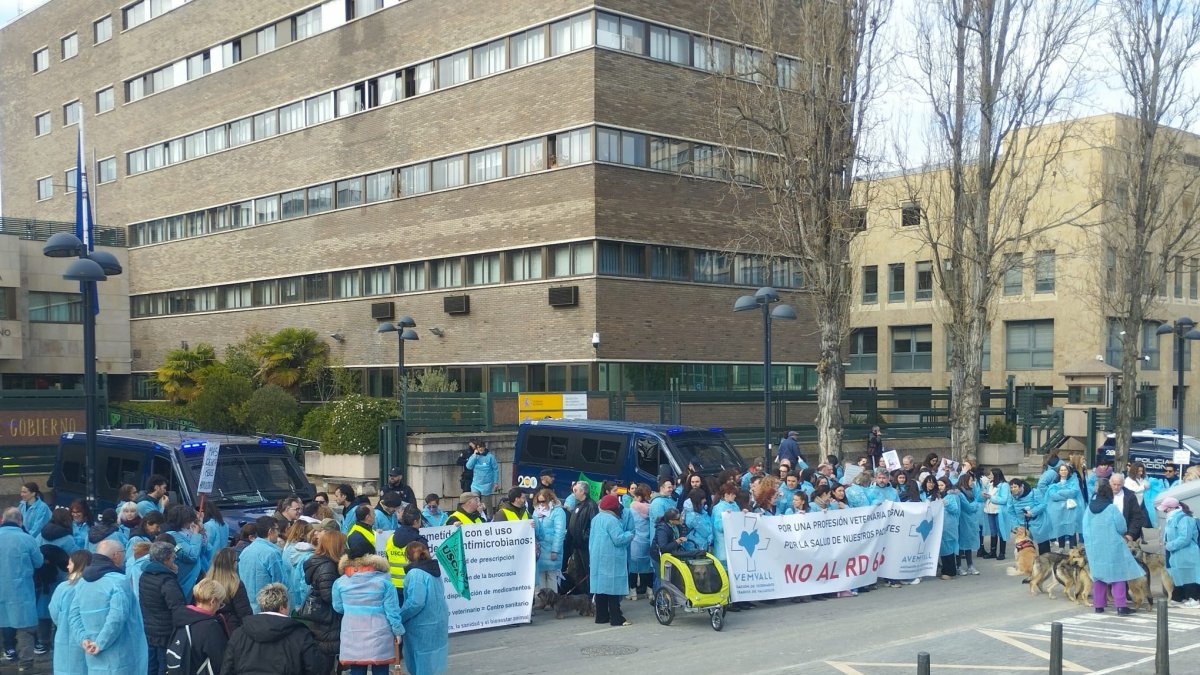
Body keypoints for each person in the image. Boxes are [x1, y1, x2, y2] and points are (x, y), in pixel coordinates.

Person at [69, 538, 149, 675]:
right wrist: (100, 643)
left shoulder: (82, 583)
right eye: (124, 552)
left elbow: (74, 615)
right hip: (121, 655)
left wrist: (84, 639)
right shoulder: (119, 581)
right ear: (116, 555)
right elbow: (117, 618)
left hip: (92, 653)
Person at [332, 538, 405, 675]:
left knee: (357, 668)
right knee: (381, 668)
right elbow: (392, 611)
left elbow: (338, 607)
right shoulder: (384, 581)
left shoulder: (340, 583)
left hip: (352, 632)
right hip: (380, 632)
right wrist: (397, 631)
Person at [221, 583, 323, 675]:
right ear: (283, 607)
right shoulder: (301, 635)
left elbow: (227, 669)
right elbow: (314, 669)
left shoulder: (239, 634)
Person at [1083, 482, 1145, 615]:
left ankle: (1098, 605)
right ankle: (1121, 606)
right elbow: (1122, 527)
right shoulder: (1111, 508)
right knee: (1118, 575)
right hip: (1112, 546)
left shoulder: (1088, 509)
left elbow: (1084, 528)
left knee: (1098, 575)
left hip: (1094, 547)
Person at [0, 507, 43, 670]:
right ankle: (25, 666)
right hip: (20, 590)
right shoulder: (27, 539)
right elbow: (38, 562)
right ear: (20, 521)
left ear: (3, 520)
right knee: (25, 629)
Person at [398, 541, 449, 675]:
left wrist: (399, 616)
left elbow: (416, 602)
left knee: (421, 662)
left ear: (408, 556)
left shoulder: (416, 574)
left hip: (421, 625)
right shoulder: (433, 569)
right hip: (438, 620)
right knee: (436, 661)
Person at [140, 540, 188, 675]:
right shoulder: (167, 580)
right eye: (173, 558)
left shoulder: (145, 575)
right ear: (166, 560)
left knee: (152, 665)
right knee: (165, 666)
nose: (175, 561)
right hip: (165, 632)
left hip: (149, 629)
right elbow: (178, 607)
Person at [303, 529, 345, 674]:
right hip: (328, 620)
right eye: (342, 545)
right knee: (326, 662)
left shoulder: (321, 562)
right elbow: (329, 596)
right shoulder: (327, 566)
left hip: (321, 619)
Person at [589, 495, 634, 627]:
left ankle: (601, 616)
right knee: (612, 590)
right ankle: (617, 618)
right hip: (611, 558)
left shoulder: (596, 519)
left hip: (597, 557)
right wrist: (629, 535)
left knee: (601, 589)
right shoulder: (612, 520)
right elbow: (618, 539)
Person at [172, 578, 230, 675]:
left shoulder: (182, 618)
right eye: (220, 603)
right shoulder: (210, 627)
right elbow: (221, 662)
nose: (219, 607)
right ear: (212, 601)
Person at [49, 549, 91, 675]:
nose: (67, 566)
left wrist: (62, 623)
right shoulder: (92, 586)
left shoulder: (63, 588)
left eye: (70, 563)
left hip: (65, 636)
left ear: (77, 565)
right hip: (88, 638)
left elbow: (54, 612)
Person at [1159, 497, 1200, 608]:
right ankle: (1179, 597)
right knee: (1178, 574)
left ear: (1170, 508)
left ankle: (1195, 598)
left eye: (1165, 509)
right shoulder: (1172, 518)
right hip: (1177, 554)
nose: (1164, 511)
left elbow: (1185, 538)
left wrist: (1169, 545)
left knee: (1190, 575)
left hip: (1187, 553)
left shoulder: (1184, 519)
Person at [238, 517, 284, 613]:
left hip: (246, 606)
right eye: (277, 529)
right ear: (270, 531)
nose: (278, 533)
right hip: (268, 608)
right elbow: (280, 583)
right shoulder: (272, 553)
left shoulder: (245, 551)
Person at [166, 504, 209, 603]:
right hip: (184, 582)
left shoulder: (190, 533)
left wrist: (201, 532)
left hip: (197, 579)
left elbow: (203, 550)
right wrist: (195, 534)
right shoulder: (172, 536)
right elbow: (191, 556)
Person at [385, 507, 428, 605]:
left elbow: (387, 559)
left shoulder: (390, 538)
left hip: (394, 586)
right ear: (416, 521)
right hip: (413, 585)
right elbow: (425, 566)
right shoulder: (419, 543)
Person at [207, 548, 253, 632]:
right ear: (232, 563)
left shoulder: (205, 583)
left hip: (210, 629)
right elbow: (245, 614)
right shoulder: (236, 585)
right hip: (231, 631)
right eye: (237, 560)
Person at [567, 481, 599, 593]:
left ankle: (590, 595)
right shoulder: (578, 504)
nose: (573, 493)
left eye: (576, 490)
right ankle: (583, 595)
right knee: (579, 571)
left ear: (583, 491)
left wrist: (584, 537)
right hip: (576, 544)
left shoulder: (591, 505)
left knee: (587, 571)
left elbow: (594, 525)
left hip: (585, 545)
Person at [533, 488, 566, 593]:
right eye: (539, 501)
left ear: (549, 499)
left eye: (543, 501)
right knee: (540, 574)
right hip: (540, 548)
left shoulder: (558, 511)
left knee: (551, 575)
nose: (541, 504)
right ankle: (542, 600)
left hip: (551, 547)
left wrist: (555, 550)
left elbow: (559, 532)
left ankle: (552, 600)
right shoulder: (537, 510)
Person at [1008, 478, 1051, 554]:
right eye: (1011, 487)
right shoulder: (1011, 497)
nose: (1013, 489)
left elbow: (1043, 504)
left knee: (1043, 547)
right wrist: (1016, 526)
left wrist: (1032, 512)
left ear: (1021, 486)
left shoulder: (1034, 492)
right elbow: (1011, 512)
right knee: (1025, 548)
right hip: (1022, 525)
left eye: (1015, 487)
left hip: (1038, 522)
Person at [625, 485, 653, 599]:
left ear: (638, 497)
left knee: (633, 567)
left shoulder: (632, 508)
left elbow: (628, 525)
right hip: (647, 541)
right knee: (647, 567)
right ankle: (650, 591)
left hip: (635, 541)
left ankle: (633, 592)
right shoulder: (651, 508)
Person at [1045, 464, 1082, 551]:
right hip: (1058, 510)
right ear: (1058, 472)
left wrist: (1060, 491)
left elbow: (1073, 492)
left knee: (1071, 527)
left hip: (1070, 510)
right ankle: (1061, 547)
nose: (1063, 472)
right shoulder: (1054, 483)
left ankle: (1073, 548)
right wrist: (1066, 496)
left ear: (1068, 471)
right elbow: (1053, 495)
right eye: (1061, 470)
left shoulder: (1073, 482)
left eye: (1065, 470)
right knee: (1059, 526)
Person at [281, 521, 315, 611]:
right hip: (301, 600)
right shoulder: (305, 554)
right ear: (304, 535)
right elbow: (303, 582)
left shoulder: (287, 548)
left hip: (290, 595)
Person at [1110, 473, 1148, 543]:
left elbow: (1136, 516)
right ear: (1110, 483)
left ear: (1123, 484)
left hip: (1124, 534)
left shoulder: (1130, 496)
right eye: (1114, 484)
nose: (1116, 487)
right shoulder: (1103, 495)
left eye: (1119, 485)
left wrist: (1131, 534)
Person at [956, 473, 981, 575]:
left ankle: (970, 565)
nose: (972, 482)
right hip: (963, 521)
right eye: (971, 480)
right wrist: (976, 503)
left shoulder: (971, 491)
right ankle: (959, 566)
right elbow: (969, 507)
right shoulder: (960, 493)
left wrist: (976, 501)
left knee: (969, 544)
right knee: (961, 544)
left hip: (970, 521)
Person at [937, 477, 962, 580]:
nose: (940, 487)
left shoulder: (952, 496)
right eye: (938, 485)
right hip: (942, 526)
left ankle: (950, 571)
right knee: (944, 548)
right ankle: (945, 570)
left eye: (942, 485)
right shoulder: (942, 495)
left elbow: (955, 510)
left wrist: (946, 504)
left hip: (949, 526)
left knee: (949, 548)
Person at [984, 468, 1012, 560]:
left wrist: (991, 497)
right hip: (990, 510)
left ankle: (1002, 553)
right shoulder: (990, 484)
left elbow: (1004, 499)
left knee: (1001, 531)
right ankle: (993, 552)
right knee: (993, 532)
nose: (989, 476)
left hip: (999, 511)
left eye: (991, 475)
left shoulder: (1004, 485)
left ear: (996, 476)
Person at [465, 440, 500, 510]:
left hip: (486, 485)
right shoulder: (474, 456)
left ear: (484, 447)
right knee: (474, 502)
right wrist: (474, 455)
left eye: (482, 447)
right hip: (476, 484)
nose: (480, 449)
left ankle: (489, 518)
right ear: (476, 449)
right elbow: (468, 466)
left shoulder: (490, 457)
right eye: (478, 448)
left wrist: (495, 482)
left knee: (487, 504)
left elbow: (495, 469)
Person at [202, 500, 229, 570]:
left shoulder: (208, 525)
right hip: (223, 559)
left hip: (211, 560)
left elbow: (207, 545)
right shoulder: (225, 524)